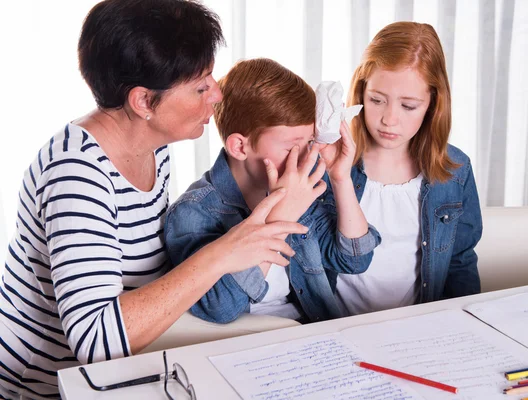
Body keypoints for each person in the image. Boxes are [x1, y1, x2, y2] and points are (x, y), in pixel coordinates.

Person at [0, 1, 309, 398]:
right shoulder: (76, 176)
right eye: (201, 86)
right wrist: (223, 253)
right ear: (144, 101)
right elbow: (97, 342)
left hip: (130, 367)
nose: (217, 94)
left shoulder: (150, 144)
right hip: (50, 387)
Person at [164, 58, 381, 324]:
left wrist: (340, 178)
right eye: (291, 147)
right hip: (239, 345)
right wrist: (280, 219)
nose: (306, 157)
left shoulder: (303, 190)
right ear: (240, 147)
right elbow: (219, 307)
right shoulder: (193, 212)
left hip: (309, 334)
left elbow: (354, 261)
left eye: (310, 141)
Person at [331, 21, 483, 316]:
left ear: (433, 104)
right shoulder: (332, 164)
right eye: (376, 100)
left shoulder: (456, 171)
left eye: (408, 106)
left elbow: (459, 263)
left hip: (417, 333)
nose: (389, 119)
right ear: (361, 92)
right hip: (332, 329)